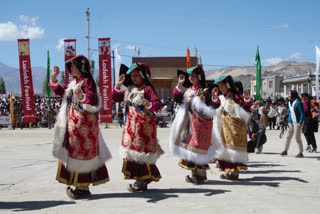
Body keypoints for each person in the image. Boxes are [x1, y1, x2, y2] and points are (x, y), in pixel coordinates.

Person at [48, 55, 111, 199]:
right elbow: (60, 91)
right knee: (74, 152)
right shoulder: (75, 82)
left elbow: (91, 98)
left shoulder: (88, 81)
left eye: (72, 66)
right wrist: (54, 78)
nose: (70, 68)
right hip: (74, 126)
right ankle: (78, 184)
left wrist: (82, 97)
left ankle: (82, 187)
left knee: (82, 154)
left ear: (80, 67)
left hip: (84, 127)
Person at [112, 63, 163, 192]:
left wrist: (149, 104)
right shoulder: (131, 89)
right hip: (132, 127)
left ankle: (141, 181)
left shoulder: (147, 89)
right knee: (134, 153)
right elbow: (116, 98)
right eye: (132, 75)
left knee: (142, 153)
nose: (133, 78)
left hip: (144, 127)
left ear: (142, 76)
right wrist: (118, 85)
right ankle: (141, 180)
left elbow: (157, 104)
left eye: (136, 75)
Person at [169, 65, 220, 184]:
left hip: (201, 125)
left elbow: (213, 105)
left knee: (198, 148)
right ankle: (195, 174)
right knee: (192, 148)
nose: (191, 77)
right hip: (190, 124)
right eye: (189, 76)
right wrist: (179, 85)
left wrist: (214, 98)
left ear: (199, 77)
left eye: (193, 75)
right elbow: (177, 99)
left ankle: (200, 175)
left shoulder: (204, 90)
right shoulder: (188, 91)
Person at [212, 76, 259, 180]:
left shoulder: (235, 96)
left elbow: (246, 106)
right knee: (224, 148)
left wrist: (250, 101)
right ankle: (226, 170)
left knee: (233, 149)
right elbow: (215, 106)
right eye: (219, 86)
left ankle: (235, 171)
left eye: (223, 86)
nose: (221, 88)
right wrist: (215, 96)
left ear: (228, 85)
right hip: (223, 127)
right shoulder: (221, 97)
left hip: (234, 128)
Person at [280, 90, 305, 158]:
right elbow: (290, 112)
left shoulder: (298, 103)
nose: (288, 95)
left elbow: (302, 114)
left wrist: (300, 123)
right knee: (288, 136)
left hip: (297, 123)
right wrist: (285, 116)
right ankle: (285, 150)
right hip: (291, 122)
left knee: (297, 137)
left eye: (289, 94)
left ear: (293, 95)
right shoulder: (289, 103)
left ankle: (300, 152)